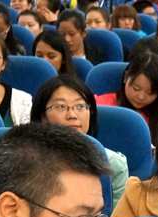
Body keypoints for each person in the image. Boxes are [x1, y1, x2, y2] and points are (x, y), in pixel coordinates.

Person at [30, 75, 130, 207]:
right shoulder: (25, 159)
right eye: (61, 107)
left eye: (80, 106)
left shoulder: (112, 164)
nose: (72, 115)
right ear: (42, 116)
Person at [95, 51, 158, 141]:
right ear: (126, 77)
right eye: (136, 88)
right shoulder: (101, 104)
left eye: (150, 93)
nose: (141, 97)